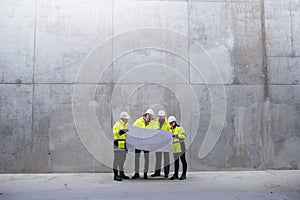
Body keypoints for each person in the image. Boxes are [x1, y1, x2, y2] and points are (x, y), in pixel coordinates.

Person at [132, 108, 158, 179]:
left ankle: (145, 173)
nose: (150, 117)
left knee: (147, 159)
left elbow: (157, 130)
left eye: (151, 116)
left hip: (147, 143)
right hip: (138, 143)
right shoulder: (139, 121)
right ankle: (136, 173)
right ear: (146, 115)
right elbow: (133, 128)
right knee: (137, 158)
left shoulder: (153, 123)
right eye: (149, 115)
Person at [151, 110, 170, 178]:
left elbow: (169, 133)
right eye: (160, 116)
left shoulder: (167, 124)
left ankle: (166, 173)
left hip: (165, 143)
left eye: (162, 116)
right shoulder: (156, 123)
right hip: (158, 143)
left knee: (166, 158)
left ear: (164, 117)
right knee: (158, 158)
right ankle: (157, 172)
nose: (161, 117)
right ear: (158, 116)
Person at [112, 111, 131, 181]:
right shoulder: (117, 125)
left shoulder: (125, 125)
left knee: (122, 160)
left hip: (123, 144)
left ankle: (121, 174)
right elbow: (116, 133)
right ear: (122, 119)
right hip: (118, 145)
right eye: (126, 119)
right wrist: (123, 131)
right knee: (117, 160)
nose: (127, 120)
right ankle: (115, 175)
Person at [168, 116, 187, 180]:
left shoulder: (179, 128)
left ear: (174, 122)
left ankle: (184, 175)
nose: (170, 124)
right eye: (169, 123)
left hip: (181, 146)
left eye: (171, 123)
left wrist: (176, 135)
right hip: (174, 147)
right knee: (176, 161)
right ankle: (175, 174)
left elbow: (184, 136)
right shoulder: (170, 129)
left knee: (183, 160)